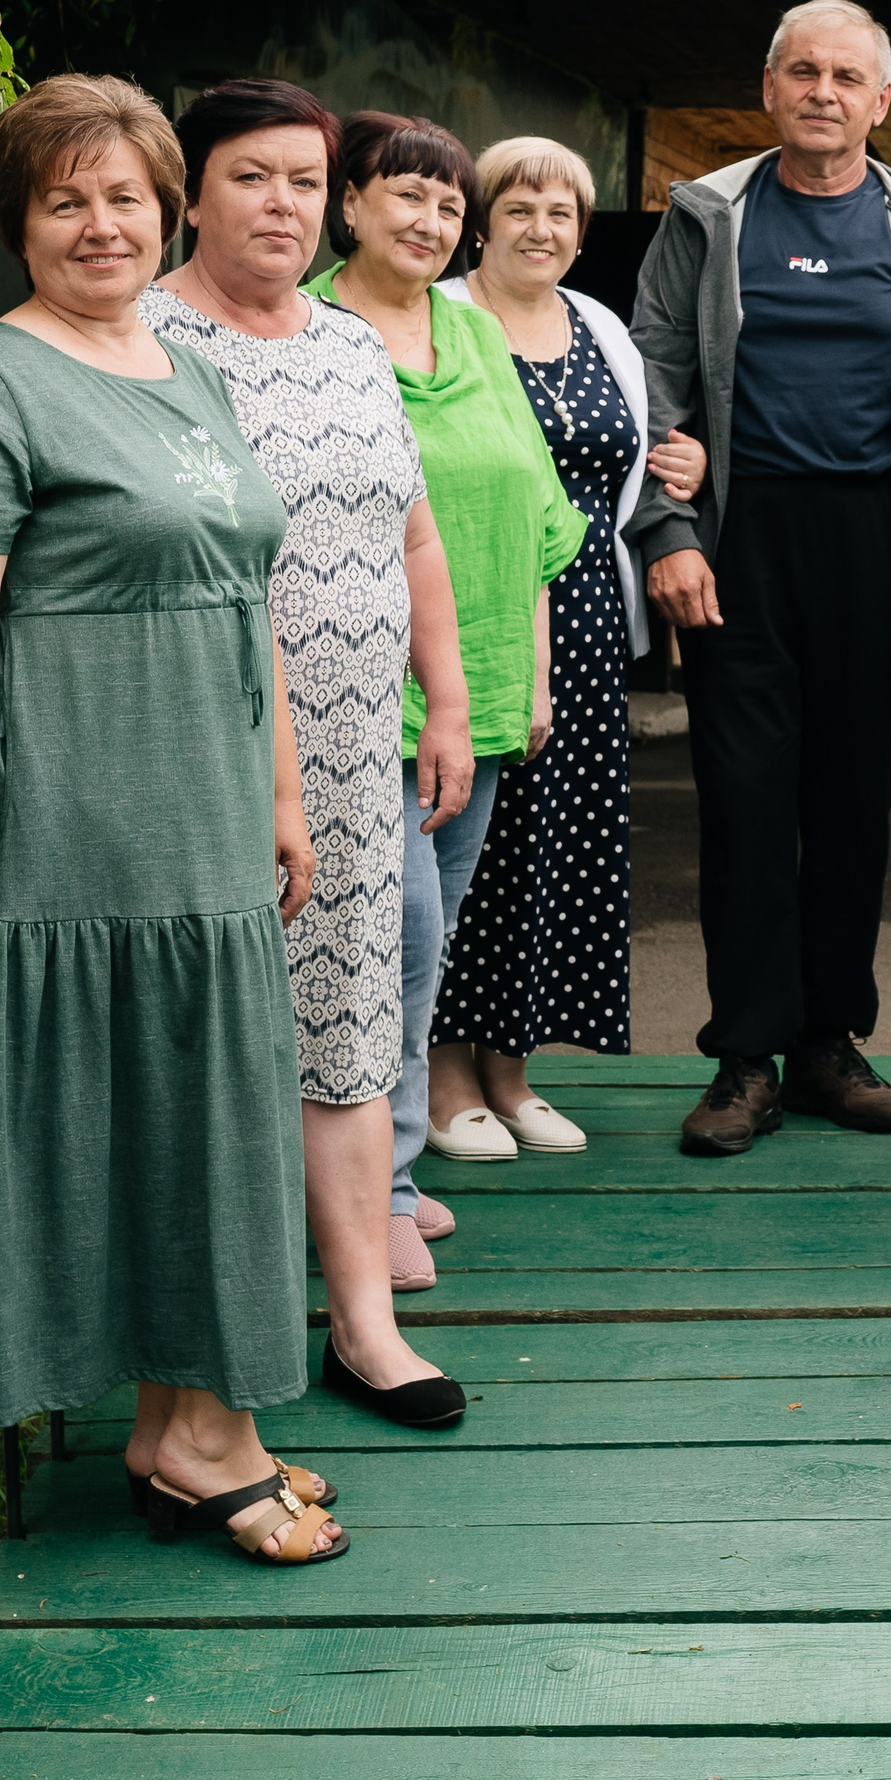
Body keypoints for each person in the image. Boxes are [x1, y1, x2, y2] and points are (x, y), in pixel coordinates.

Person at [0, 74, 343, 1567]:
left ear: (167, 205)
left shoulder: (181, 367)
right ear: (21, 223)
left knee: (206, 1104)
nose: (100, 223)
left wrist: (281, 792)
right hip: (81, 807)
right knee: (137, 1103)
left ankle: (188, 1419)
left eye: (125, 193)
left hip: (204, 804)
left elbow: (239, 584)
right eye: (64, 199)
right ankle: (202, 1434)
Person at [144, 80, 472, 1427]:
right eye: (248, 177)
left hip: (352, 757)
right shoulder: (144, 340)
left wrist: (441, 701)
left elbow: (413, 530)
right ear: (192, 191)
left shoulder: (347, 343)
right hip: (200, 754)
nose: (278, 205)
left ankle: (367, 1326)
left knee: (349, 1030)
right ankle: (211, 1345)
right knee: (213, 1048)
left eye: (300, 179)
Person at [633, 0, 891, 1157]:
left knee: (851, 800)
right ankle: (745, 1055)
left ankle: (830, 1042)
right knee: (746, 802)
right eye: (802, 71)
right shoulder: (706, 216)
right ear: (768, 89)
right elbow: (649, 378)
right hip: (737, 541)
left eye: (848, 76)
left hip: (878, 543)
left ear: (880, 103)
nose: (823, 93)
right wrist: (669, 531)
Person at [305, 112, 588, 1289]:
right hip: (353, 692)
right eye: (404, 197)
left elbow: (529, 510)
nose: (427, 223)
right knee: (390, 940)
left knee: (423, 950)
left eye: (446, 208)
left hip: (470, 690)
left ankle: (392, 1180)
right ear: (353, 204)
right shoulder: (311, 328)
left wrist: (523, 674)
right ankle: (370, 1191)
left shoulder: (468, 334)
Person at [427, 134, 706, 1157]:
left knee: (557, 851)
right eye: (519, 209)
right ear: (480, 222)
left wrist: (683, 456)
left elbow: (637, 454)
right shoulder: (441, 321)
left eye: (561, 215)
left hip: (585, 625)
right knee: (473, 849)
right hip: (478, 616)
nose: (540, 230)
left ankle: (512, 1071)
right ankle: (443, 1073)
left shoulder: (599, 326)